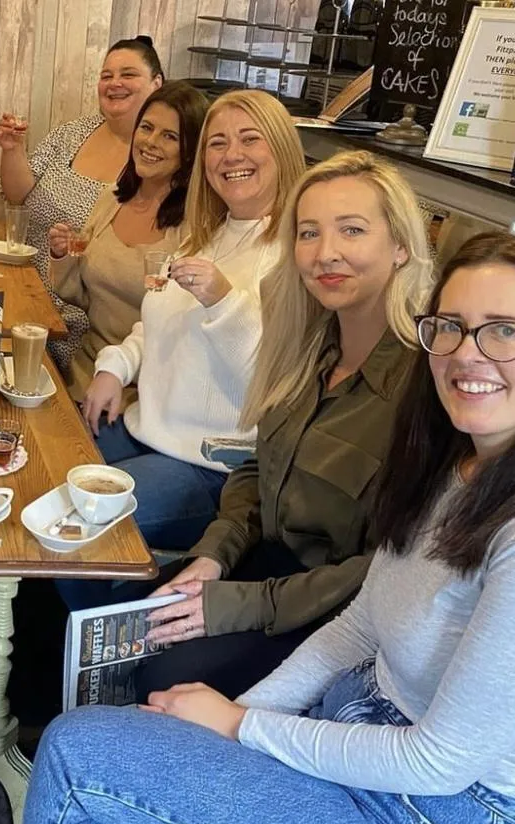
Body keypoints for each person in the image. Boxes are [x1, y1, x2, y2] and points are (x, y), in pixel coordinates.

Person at [19, 229, 515, 824]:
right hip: (357, 741)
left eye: (504, 332)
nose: (465, 355)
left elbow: (441, 762)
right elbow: (359, 626)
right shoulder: (458, 462)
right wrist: (235, 720)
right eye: (449, 326)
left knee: (75, 746)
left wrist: (242, 724)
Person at [124, 150, 433, 696]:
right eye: (308, 233)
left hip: (336, 615)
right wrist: (214, 555)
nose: (325, 253)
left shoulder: (425, 387)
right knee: (130, 618)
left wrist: (243, 603)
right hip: (263, 566)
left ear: (402, 245)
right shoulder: (307, 349)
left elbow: (388, 571)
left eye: (352, 230)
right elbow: (255, 471)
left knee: (162, 674)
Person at [72, 89, 305, 558]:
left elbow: (273, 381)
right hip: (144, 429)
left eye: (248, 139)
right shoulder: (208, 234)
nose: (231, 155)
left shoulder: (295, 251)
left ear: (280, 148)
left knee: (78, 519)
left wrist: (222, 301)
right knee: (41, 466)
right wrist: (114, 367)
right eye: (217, 143)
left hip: (213, 466)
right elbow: (157, 321)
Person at [0, 36, 163, 373]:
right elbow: (18, 195)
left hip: (75, 319)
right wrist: (12, 149)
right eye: (106, 75)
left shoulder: (153, 159)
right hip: (22, 288)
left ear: (157, 84)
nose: (114, 83)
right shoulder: (74, 132)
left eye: (128, 74)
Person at [49, 80, 207, 403]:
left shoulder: (194, 227)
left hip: (143, 390)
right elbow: (81, 296)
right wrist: (62, 255)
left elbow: (181, 328)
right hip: (85, 369)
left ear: (190, 152)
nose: (150, 142)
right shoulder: (112, 199)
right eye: (146, 127)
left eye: (170, 136)